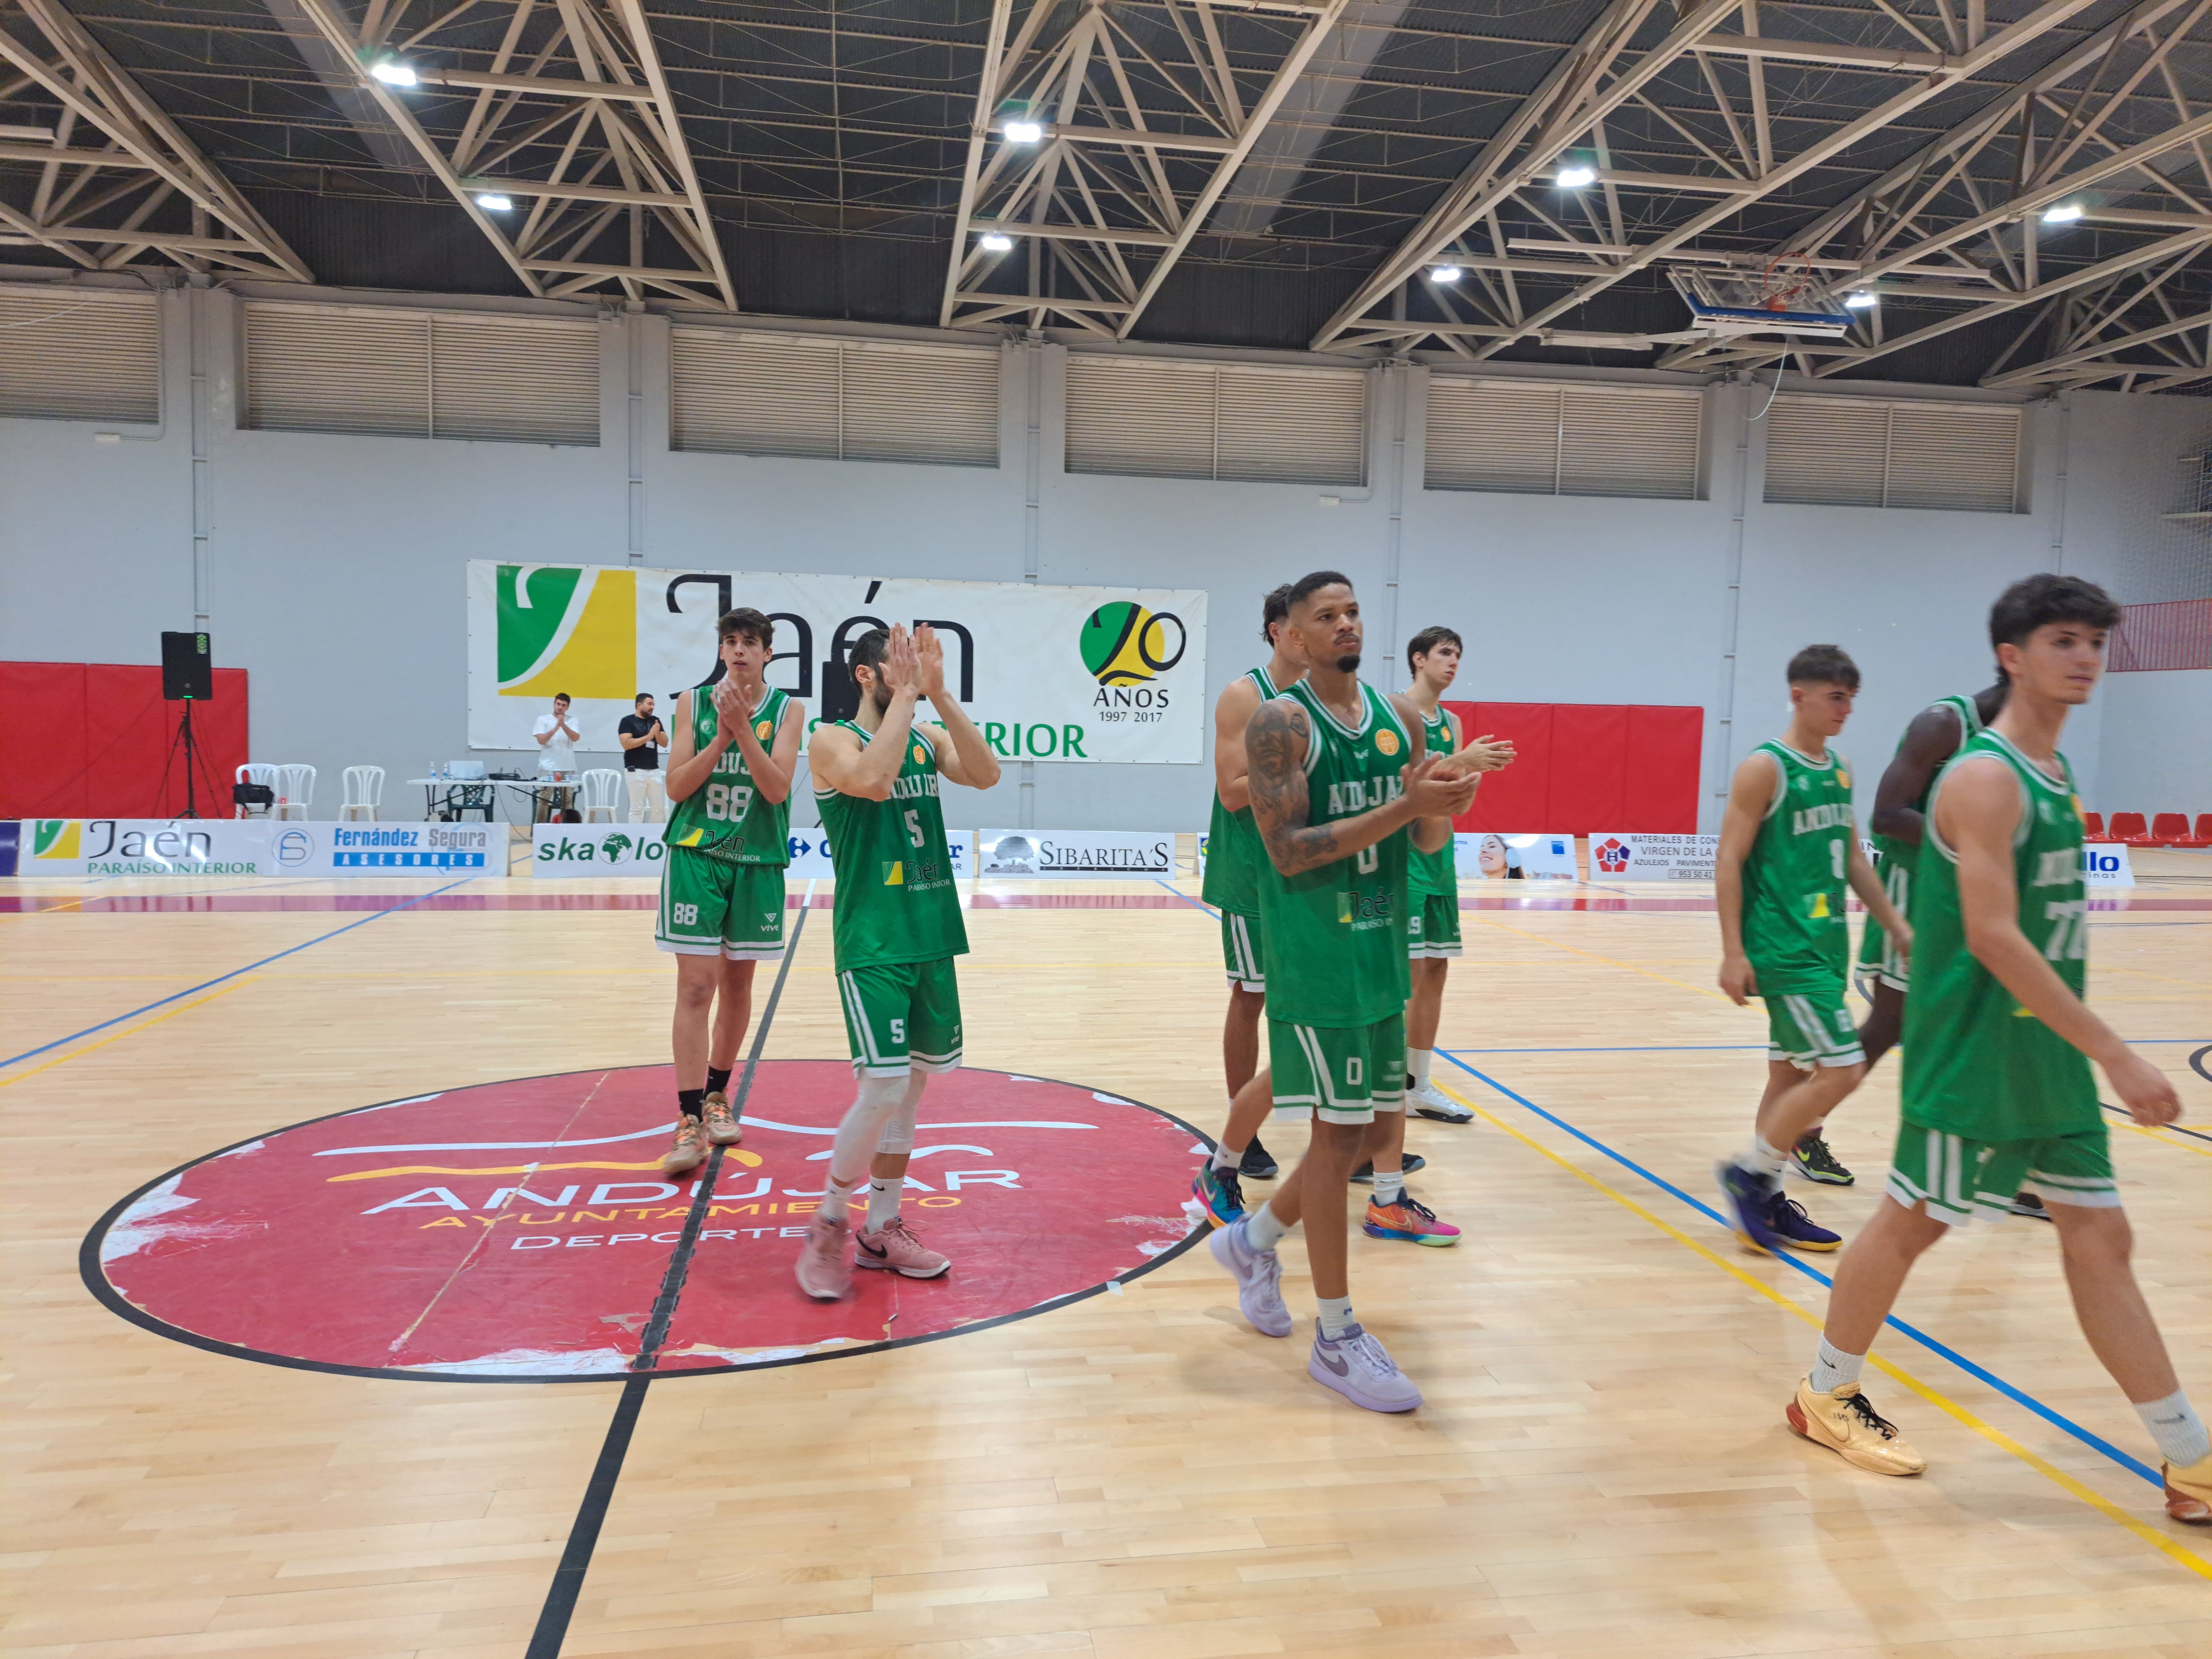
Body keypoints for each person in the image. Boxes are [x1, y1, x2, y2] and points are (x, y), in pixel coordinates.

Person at [1788, 575, 2210, 1529]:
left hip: (2042, 1056)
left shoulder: (2054, 774)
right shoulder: (1983, 776)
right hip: (1972, 1051)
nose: (2086, 658)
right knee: (1909, 1223)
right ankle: (1823, 1393)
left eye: (2095, 642)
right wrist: (2116, 1053)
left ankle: (2191, 1460)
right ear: (2011, 657)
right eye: (2064, 640)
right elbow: (1993, 935)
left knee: (2101, 1240)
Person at [1207, 571, 1479, 1412]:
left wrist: (1452, 796)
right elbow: (1288, 848)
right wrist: (1405, 811)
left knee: (1365, 1135)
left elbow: (1428, 830)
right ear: (1292, 633)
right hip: (1314, 952)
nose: (1346, 625)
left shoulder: (1401, 719)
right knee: (1335, 1140)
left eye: (1354, 611)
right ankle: (1336, 1335)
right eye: (1326, 616)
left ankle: (1254, 1241)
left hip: (1379, 942)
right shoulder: (1280, 722)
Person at [796, 623, 1001, 1297]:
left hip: (931, 929)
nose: (913, 670)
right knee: (882, 1088)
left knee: (911, 1088)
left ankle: (882, 1226)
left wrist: (938, 697)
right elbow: (873, 780)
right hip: (874, 940)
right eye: (901, 663)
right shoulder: (831, 739)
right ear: (867, 674)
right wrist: (912, 697)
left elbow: (987, 772)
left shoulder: (925, 733)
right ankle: (829, 1221)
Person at [1712, 644, 1910, 1256]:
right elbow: (1729, 857)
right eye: (1835, 697)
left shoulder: (1839, 768)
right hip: (1783, 947)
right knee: (1843, 1067)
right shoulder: (1765, 768)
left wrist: (1897, 925)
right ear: (1800, 695)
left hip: (1826, 944)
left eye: (1851, 698)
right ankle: (1751, 1171)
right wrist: (1732, 951)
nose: (1846, 709)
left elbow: (1854, 857)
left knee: (1790, 1073)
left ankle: (1765, 1194)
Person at [1825, 675, 2046, 1213]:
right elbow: (1885, 815)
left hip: (1973, 890)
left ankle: (1997, 1161)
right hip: (1915, 891)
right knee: (1888, 1025)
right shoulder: (1943, 724)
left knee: (1992, 1017)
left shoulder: (2024, 739)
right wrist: (1972, 842)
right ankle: (1804, 1123)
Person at [655, 611, 804, 1175]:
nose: (739, 650)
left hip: (758, 856)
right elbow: (675, 785)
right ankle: (689, 1116)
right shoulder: (692, 703)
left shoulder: (790, 710)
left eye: (750, 643)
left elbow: (775, 789)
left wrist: (743, 730)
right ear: (721, 651)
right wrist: (722, 735)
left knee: (738, 981)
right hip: (697, 853)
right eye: (731, 642)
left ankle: (719, 1096)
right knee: (696, 986)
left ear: (767, 654)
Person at [1190, 586, 1305, 1222]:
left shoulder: (1329, 700)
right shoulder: (1246, 694)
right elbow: (1233, 791)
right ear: (1275, 631)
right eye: (1304, 624)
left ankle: (1356, 1133)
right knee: (1251, 994)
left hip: (1308, 871)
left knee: (1313, 999)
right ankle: (1243, 1129)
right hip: (1252, 874)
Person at [1401, 626, 1515, 1121]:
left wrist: (1466, 776)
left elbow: (1452, 800)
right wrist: (1457, 763)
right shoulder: (1395, 713)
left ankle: (1419, 1085)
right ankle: (1387, 1087)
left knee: (1435, 972)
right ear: (1418, 659)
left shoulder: (1451, 721)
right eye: (1444, 654)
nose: (1453, 663)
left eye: (1458, 656)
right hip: (1400, 864)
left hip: (1438, 865)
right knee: (1401, 979)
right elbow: (1399, 788)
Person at [618, 693, 669, 823]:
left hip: (654, 769)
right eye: (650, 704)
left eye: (653, 704)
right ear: (639, 705)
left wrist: (657, 732)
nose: (653, 707)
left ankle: (655, 838)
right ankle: (635, 838)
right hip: (635, 770)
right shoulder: (627, 721)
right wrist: (649, 736)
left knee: (659, 808)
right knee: (637, 808)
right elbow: (626, 744)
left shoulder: (655, 721)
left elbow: (665, 743)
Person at [531, 692, 580, 822]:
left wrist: (563, 725)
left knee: (567, 801)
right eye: (558, 704)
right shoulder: (543, 719)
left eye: (563, 705)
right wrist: (555, 729)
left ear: (567, 708)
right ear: (554, 704)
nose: (560, 707)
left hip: (567, 766)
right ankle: (541, 829)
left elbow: (575, 738)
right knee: (544, 798)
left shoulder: (572, 720)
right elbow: (541, 740)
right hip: (548, 766)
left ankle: (566, 829)